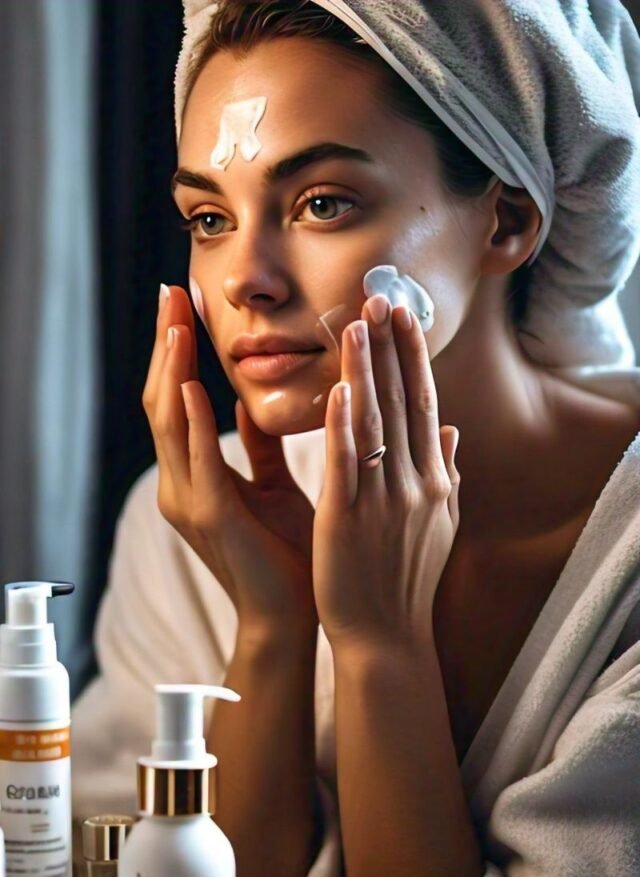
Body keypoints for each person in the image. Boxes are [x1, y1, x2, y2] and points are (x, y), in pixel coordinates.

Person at [72, 2, 640, 874]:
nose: (245, 284)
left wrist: (380, 643)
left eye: (321, 203)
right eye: (209, 219)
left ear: (510, 221)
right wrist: (272, 624)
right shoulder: (198, 522)